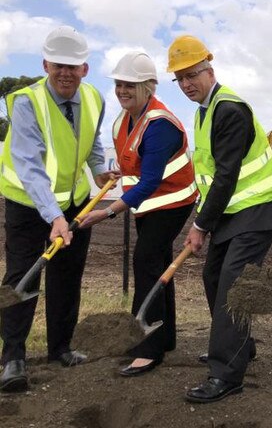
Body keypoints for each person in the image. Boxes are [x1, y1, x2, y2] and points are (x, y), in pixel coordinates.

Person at [166, 35, 272, 403]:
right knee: (212, 277)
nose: (187, 84)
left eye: (192, 75)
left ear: (210, 70)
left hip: (257, 211)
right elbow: (209, 179)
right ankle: (240, 345)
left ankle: (226, 374)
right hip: (230, 214)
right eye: (181, 78)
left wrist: (199, 225)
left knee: (232, 287)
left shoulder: (229, 109)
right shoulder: (203, 111)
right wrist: (205, 220)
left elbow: (226, 176)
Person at [0, 26, 115, 392]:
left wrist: (98, 171)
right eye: (58, 65)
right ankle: (13, 357)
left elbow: (92, 141)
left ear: (85, 68)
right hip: (29, 204)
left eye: (74, 66)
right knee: (23, 277)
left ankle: (60, 347)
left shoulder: (95, 97)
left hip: (75, 201)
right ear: (45, 64)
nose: (66, 73)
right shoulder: (26, 103)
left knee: (67, 276)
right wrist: (54, 217)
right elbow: (29, 164)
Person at [78, 51, 197, 376]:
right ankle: (165, 337)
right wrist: (118, 171)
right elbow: (136, 161)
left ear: (148, 87)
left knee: (145, 261)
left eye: (130, 85)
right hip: (148, 203)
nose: (122, 90)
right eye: (119, 84)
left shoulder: (160, 125)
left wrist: (107, 213)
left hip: (172, 202)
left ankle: (147, 348)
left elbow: (151, 181)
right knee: (156, 262)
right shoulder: (124, 118)